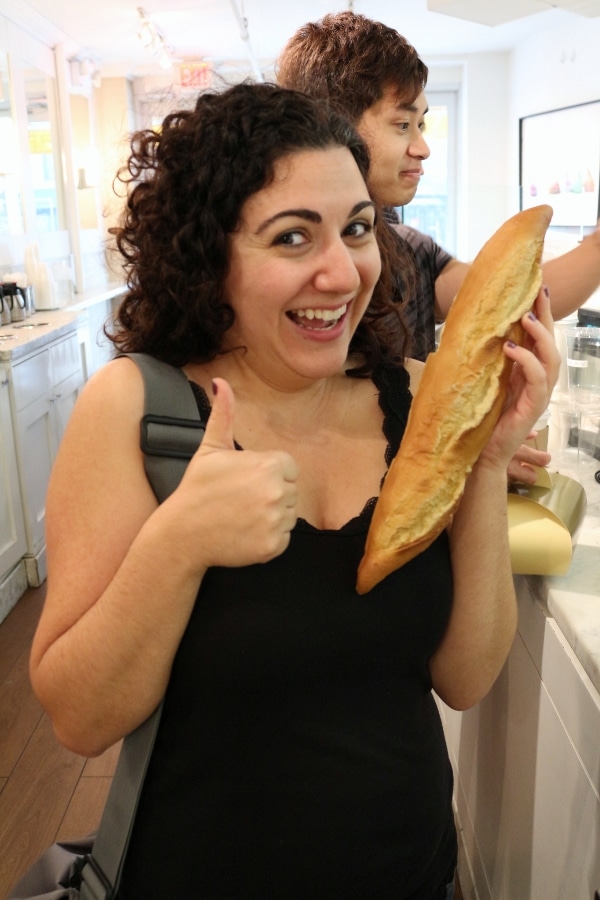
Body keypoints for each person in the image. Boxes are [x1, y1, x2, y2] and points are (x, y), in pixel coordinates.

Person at [29, 82, 559, 900]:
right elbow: (80, 718)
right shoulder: (140, 410)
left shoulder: (415, 403)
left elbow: (463, 678)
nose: (341, 271)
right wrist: (180, 544)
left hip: (416, 875)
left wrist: (487, 461)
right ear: (211, 256)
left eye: (356, 229)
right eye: (291, 238)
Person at [276, 11, 600, 361]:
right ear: (333, 124)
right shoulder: (267, 258)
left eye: (420, 125)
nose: (422, 148)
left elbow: (511, 300)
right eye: (402, 124)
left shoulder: (409, 251)